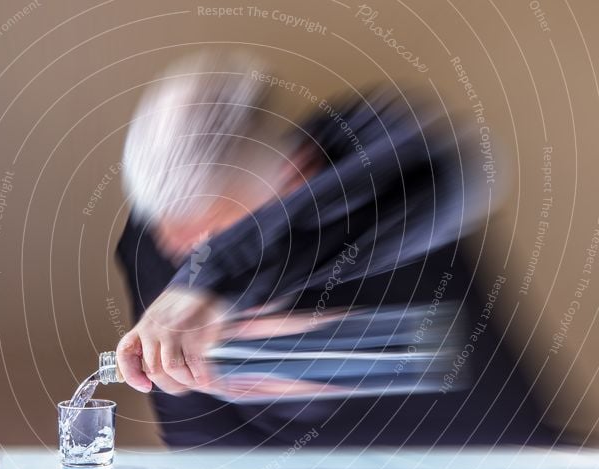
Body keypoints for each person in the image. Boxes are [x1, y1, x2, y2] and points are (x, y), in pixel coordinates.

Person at [114, 51, 558, 447]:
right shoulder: (153, 242)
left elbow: (447, 163)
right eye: (179, 239)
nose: (191, 252)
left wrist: (214, 277)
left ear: (295, 173)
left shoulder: (375, 157)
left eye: (219, 231)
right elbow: (195, 435)